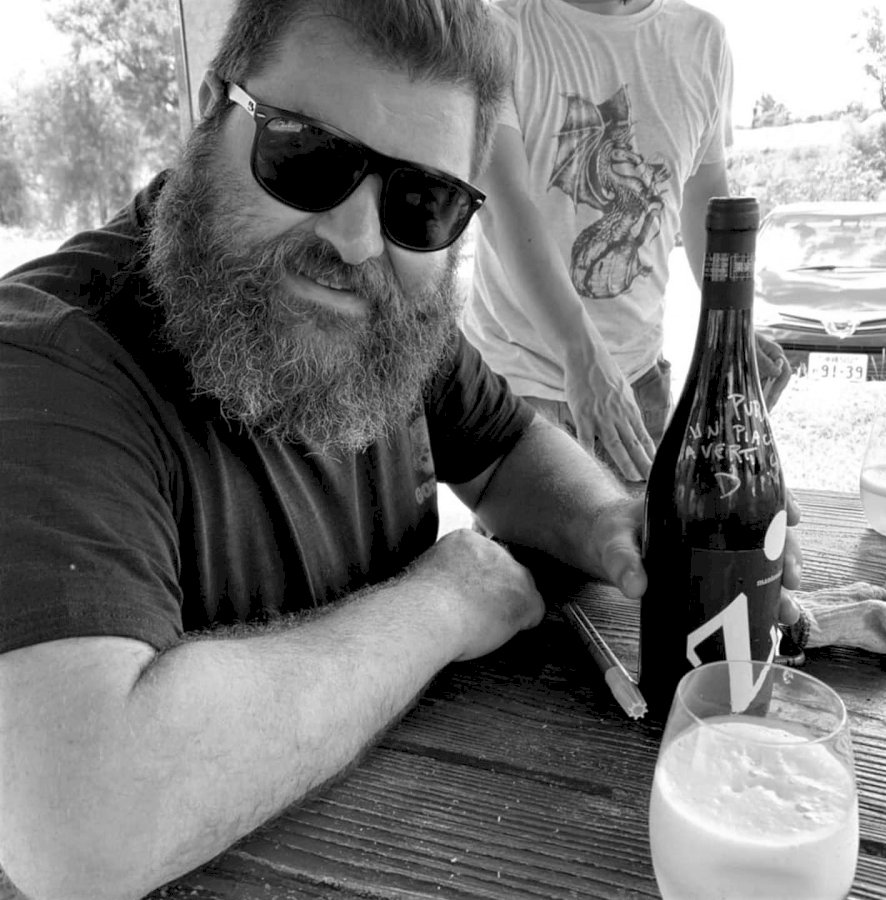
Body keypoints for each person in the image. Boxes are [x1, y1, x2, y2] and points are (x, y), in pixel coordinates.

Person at [0, 2, 801, 898]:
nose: (355, 239)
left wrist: (613, 526)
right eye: (306, 158)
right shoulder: (46, 362)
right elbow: (81, 825)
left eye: (421, 202)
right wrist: (442, 602)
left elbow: (507, 450)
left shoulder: (394, 310)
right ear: (209, 109)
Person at [461, 0, 791, 483]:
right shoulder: (500, 28)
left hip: (640, 382)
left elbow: (705, 200)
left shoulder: (704, 40)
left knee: (643, 533)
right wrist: (583, 356)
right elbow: (503, 203)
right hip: (517, 387)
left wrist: (735, 330)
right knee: (523, 538)